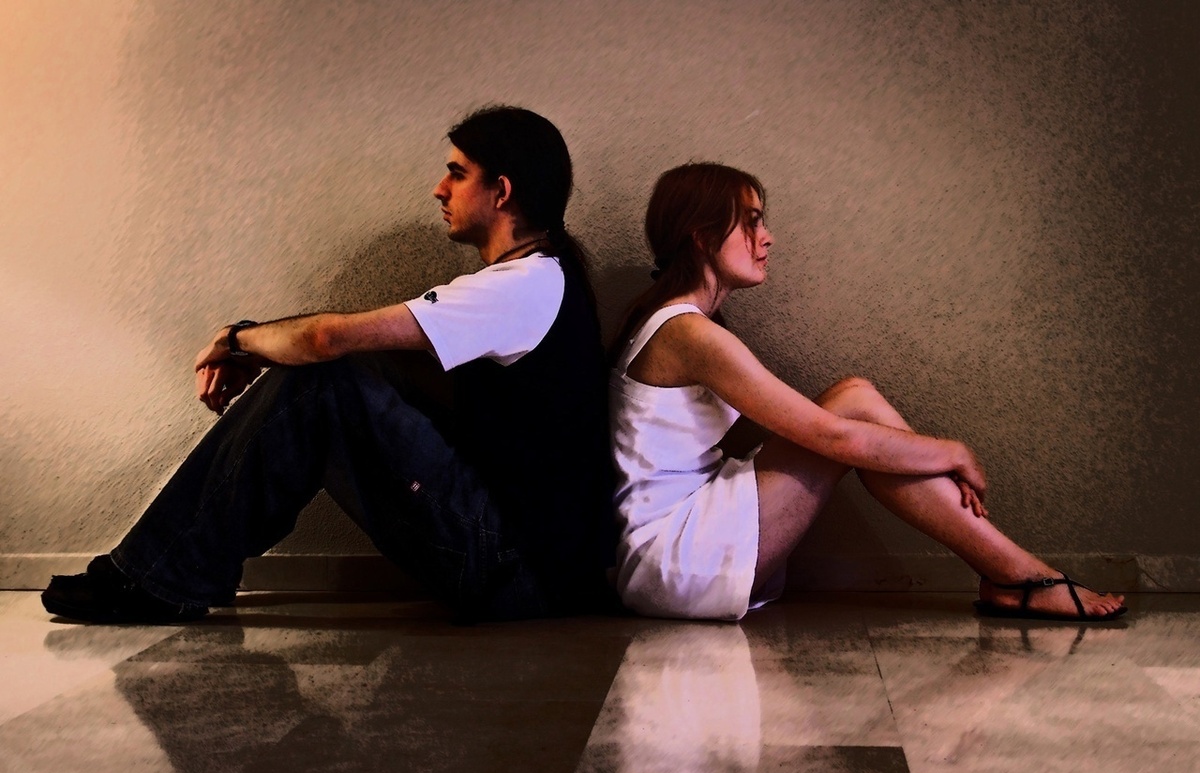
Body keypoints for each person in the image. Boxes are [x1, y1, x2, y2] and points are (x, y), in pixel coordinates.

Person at [42, 106, 616, 625]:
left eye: (457, 174)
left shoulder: (522, 287)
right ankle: (177, 566)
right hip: (525, 566)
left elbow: (325, 339)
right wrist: (265, 349)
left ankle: (158, 576)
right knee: (348, 369)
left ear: (502, 191)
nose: (439, 189)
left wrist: (236, 339)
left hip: (516, 573)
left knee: (328, 376)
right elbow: (352, 349)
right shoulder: (539, 280)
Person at [608, 162, 1126, 622]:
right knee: (853, 406)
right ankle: (1019, 576)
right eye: (752, 221)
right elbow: (832, 438)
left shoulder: (686, 325)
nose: (767, 238)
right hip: (672, 559)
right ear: (703, 236)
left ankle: (1011, 575)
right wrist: (955, 452)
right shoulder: (689, 334)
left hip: (680, 544)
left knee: (854, 395)